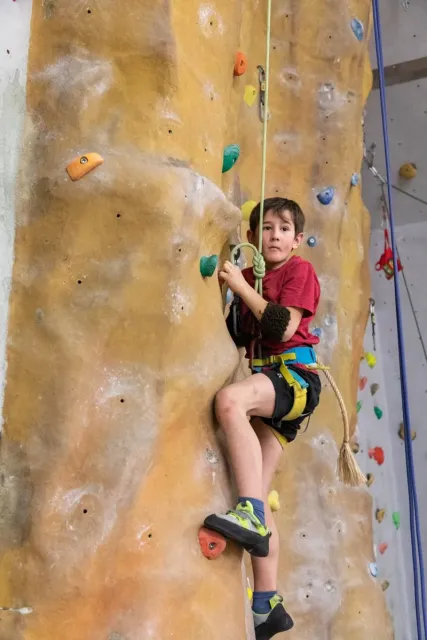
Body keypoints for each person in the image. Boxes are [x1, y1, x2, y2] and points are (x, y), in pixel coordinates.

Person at [204, 197, 322, 640]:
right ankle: (266, 603)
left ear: (297, 240)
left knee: (230, 402)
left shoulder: (298, 272)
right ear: (253, 238)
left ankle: (251, 515)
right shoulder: (254, 277)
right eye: (267, 228)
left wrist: (239, 285)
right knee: (255, 483)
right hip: (274, 384)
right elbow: (238, 334)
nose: (274, 235)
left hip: (293, 378)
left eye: (284, 229)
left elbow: (280, 327)